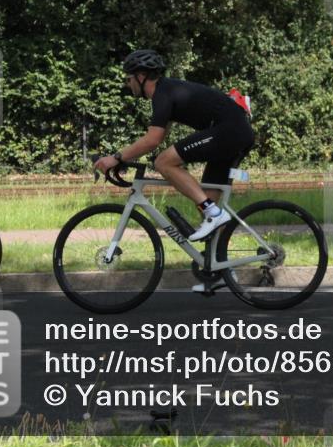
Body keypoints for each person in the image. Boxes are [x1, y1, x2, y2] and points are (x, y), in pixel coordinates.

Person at [94, 50, 254, 290]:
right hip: (232, 131)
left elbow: (153, 140)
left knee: (164, 162)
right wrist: (126, 157)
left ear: (141, 76)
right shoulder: (167, 92)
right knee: (206, 201)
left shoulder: (163, 93)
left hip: (229, 131)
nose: (127, 84)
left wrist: (116, 158)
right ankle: (221, 270)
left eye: (129, 78)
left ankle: (213, 213)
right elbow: (156, 136)